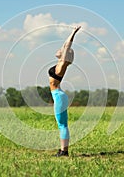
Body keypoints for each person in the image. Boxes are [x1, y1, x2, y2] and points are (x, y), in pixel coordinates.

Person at [48, 26, 81, 157]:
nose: (60, 49)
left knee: (62, 125)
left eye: (62, 50)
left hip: (59, 96)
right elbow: (65, 47)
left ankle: (64, 151)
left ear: (64, 55)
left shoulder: (61, 65)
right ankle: (63, 150)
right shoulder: (61, 63)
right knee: (62, 124)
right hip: (59, 95)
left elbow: (67, 46)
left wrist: (73, 33)